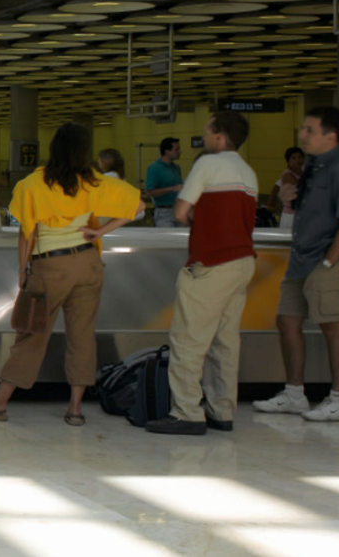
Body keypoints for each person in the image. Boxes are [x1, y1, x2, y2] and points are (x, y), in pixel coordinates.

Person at [0, 121, 141, 425]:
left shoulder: (34, 184)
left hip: (51, 268)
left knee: (32, 335)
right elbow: (137, 209)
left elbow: (26, 233)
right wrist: (100, 232)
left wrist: (22, 271)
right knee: (82, 336)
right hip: (88, 265)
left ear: (53, 148)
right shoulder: (94, 182)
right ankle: (74, 409)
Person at [255, 104, 339, 422]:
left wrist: (331, 262)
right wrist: (289, 198)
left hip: (325, 261)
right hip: (301, 259)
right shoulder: (314, 168)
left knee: (332, 326)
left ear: (330, 136)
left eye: (309, 130)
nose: (302, 135)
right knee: (287, 320)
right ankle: (294, 394)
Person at [146, 110, 257, 436]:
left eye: (207, 132)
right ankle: (221, 410)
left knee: (188, 339)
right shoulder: (248, 171)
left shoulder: (208, 164)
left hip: (211, 263)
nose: (203, 138)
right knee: (225, 341)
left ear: (220, 137)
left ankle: (186, 413)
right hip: (242, 264)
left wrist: (199, 219)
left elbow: (180, 211)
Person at [145, 137, 184, 224]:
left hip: (178, 210)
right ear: (167, 151)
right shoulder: (154, 169)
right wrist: (172, 189)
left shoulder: (176, 168)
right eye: (176, 149)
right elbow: (149, 192)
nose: (180, 152)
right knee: (167, 237)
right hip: (164, 212)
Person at [274, 147, 307, 226]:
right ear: (288, 162)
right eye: (294, 158)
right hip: (291, 216)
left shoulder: (304, 174)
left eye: (299, 157)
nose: (297, 160)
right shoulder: (288, 175)